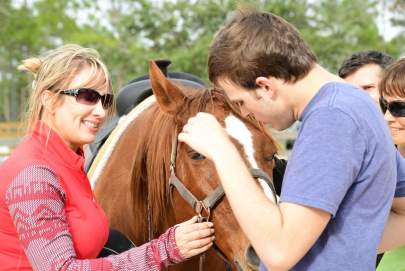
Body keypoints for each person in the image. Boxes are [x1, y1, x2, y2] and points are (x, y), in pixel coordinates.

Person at [178, 9, 405, 270]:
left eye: (240, 101)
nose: (245, 113)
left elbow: (279, 252)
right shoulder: (356, 104)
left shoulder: (332, 118)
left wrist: (222, 150)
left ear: (265, 86)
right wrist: (351, 240)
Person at [0, 44, 214, 270]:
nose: (101, 112)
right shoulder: (34, 174)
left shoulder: (66, 160)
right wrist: (165, 249)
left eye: (105, 100)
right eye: (87, 96)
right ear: (49, 99)